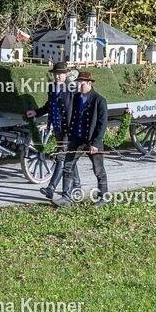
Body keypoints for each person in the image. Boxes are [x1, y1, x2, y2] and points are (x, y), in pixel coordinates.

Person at [52, 70, 110, 208]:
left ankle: (103, 198)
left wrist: (96, 142)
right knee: (67, 166)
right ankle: (66, 198)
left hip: (92, 141)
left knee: (98, 170)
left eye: (81, 83)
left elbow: (102, 124)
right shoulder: (77, 97)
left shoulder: (99, 100)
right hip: (76, 139)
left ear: (89, 83)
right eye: (77, 82)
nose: (78, 85)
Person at [25, 62, 78, 201]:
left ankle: (51, 188)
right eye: (55, 74)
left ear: (66, 74)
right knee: (69, 156)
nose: (57, 76)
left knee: (61, 156)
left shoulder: (71, 89)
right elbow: (49, 106)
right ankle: (77, 183)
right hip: (57, 128)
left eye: (60, 74)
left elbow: (75, 110)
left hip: (68, 129)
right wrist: (35, 112)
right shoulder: (52, 87)